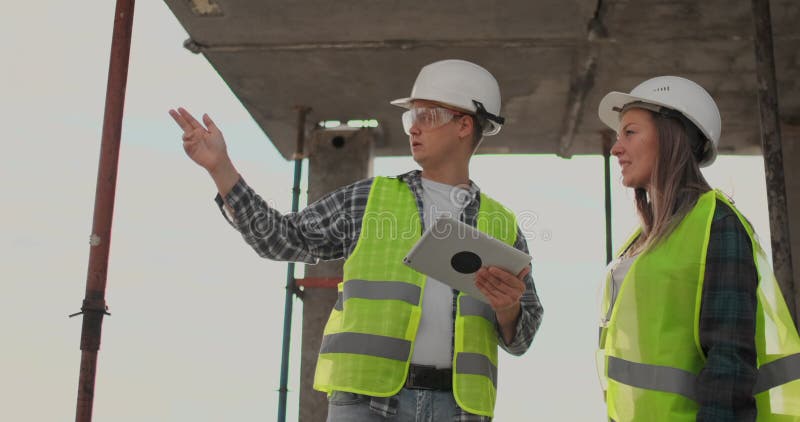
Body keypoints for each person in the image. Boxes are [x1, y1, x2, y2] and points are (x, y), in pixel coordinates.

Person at [169, 59, 543, 421]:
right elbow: (279, 238)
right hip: (367, 404)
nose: (413, 128)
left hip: (460, 410)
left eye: (426, 116)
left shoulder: (502, 223)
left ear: (464, 125)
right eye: (411, 117)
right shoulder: (368, 200)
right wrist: (221, 169)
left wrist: (507, 308)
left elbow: (522, 337)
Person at [596, 76, 800, 421]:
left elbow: (729, 366)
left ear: (671, 136)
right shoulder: (641, 242)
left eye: (630, 133)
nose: (616, 148)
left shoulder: (717, 224)